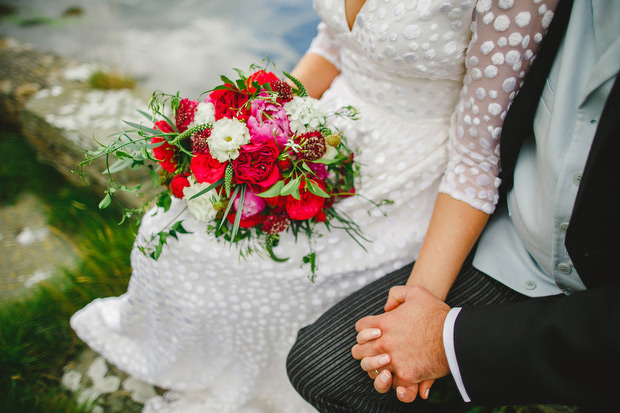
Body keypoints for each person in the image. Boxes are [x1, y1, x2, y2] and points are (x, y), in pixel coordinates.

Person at [71, 0, 558, 411]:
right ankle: (196, 370)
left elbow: (478, 156)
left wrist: (419, 305)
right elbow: (333, 41)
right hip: (317, 131)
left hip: (413, 175)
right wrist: (257, 127)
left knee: (253, 270)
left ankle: (263, 394)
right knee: (171, 226)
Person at [287, 0, 620, 410]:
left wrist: (425, 320)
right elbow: (336, 41)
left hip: (425, 181)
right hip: (334, 149)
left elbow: (477, 156)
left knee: (321, 360)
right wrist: (263, 121)